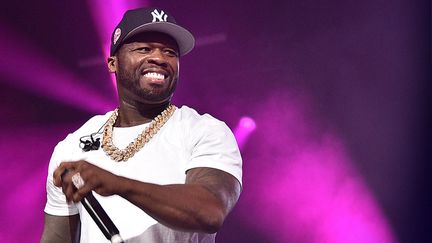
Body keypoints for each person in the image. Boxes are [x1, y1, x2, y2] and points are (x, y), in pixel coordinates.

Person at [40, 7, 242, 243]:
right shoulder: (73, 146)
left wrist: (117, 184)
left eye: (170, 52)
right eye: (144, 49)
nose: (159, 58)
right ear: (112, 63)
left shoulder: (204, 130)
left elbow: (210, 211)